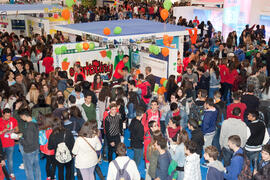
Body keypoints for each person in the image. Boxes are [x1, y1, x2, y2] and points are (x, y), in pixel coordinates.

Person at [18, 108, 41, 180]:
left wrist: (19, 139)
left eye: (21, 116)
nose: (21, 118)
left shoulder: (29, 126)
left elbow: (28, 142)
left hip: (29, 151)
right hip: (36, 148)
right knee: (36, 167)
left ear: (24, 116)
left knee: (29, 169)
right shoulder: (35, 122)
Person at [0, 108, 18, 179]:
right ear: (2, 114)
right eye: (6, 116)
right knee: (1, 160)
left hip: (10, 143)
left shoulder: (13, 120)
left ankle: (11, 173)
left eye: (9, 116)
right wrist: (3, 131)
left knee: (10, 159)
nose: (8, 117)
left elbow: (17, 129)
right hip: (1, 144)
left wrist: (13, 130)